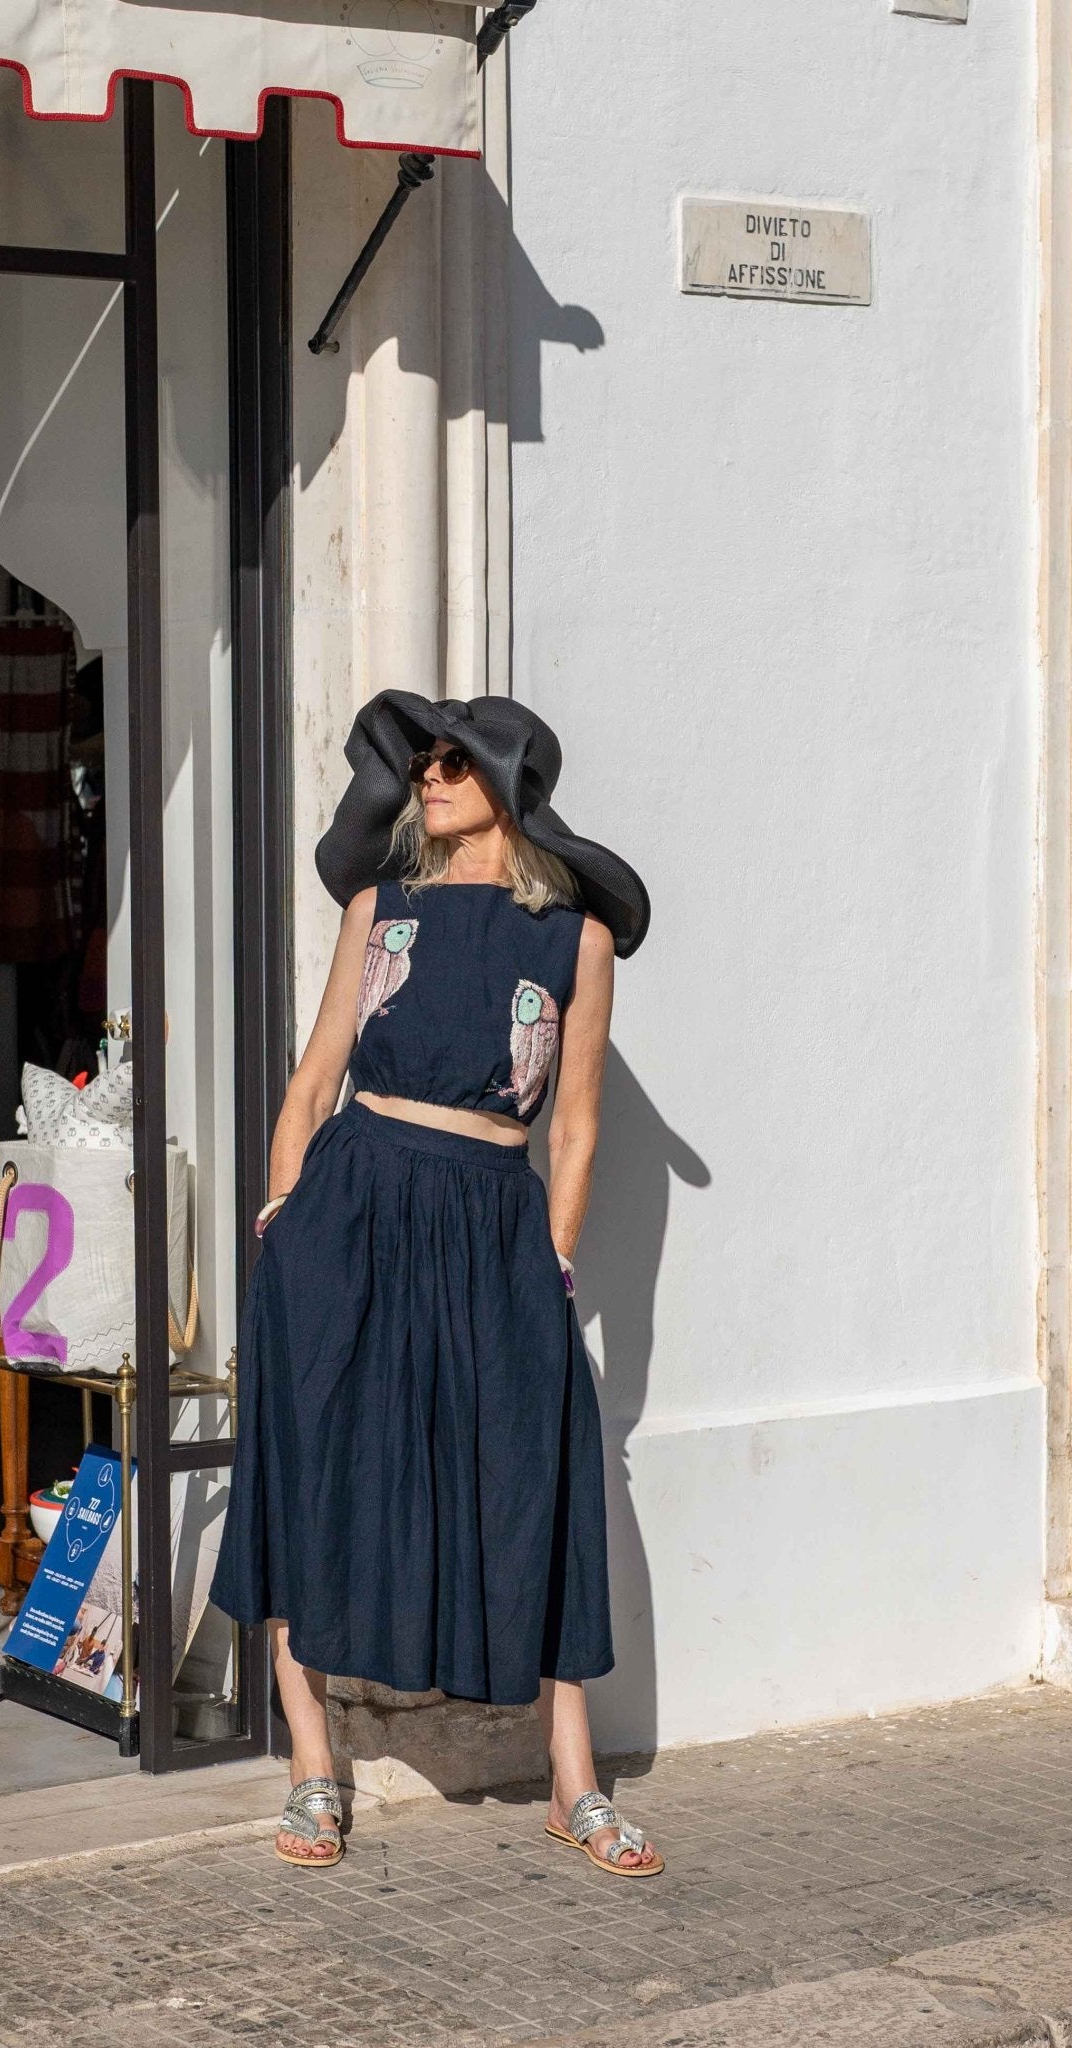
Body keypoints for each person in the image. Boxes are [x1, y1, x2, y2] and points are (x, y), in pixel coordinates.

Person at [209, 689, 660, 1877]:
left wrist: (552, 1256)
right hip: (352, 1206)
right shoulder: (380, 906)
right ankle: (313, 1766)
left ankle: (575, 1781)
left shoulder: (576, 940)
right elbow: (313, 1082)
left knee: (535, 1475)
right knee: (316, 1459)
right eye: (423, 761)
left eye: (455, 760)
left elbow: (575, 1128)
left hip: (492, 1216)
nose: (430, 776)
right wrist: (282, 1213)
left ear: (507, 783)